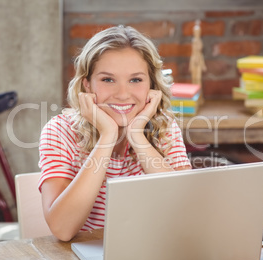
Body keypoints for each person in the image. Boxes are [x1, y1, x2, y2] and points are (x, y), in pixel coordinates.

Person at [38, 25, 192, 241]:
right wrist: (107, 137)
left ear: (152, 86)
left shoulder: (163, 127)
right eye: (108, 80)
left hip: (153, 248)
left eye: (136, 80)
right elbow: (63, 229)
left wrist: (137, 136)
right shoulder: (60, 131)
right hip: (89, 253)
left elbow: (187, 211)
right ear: (88, 85)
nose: (122, 94)